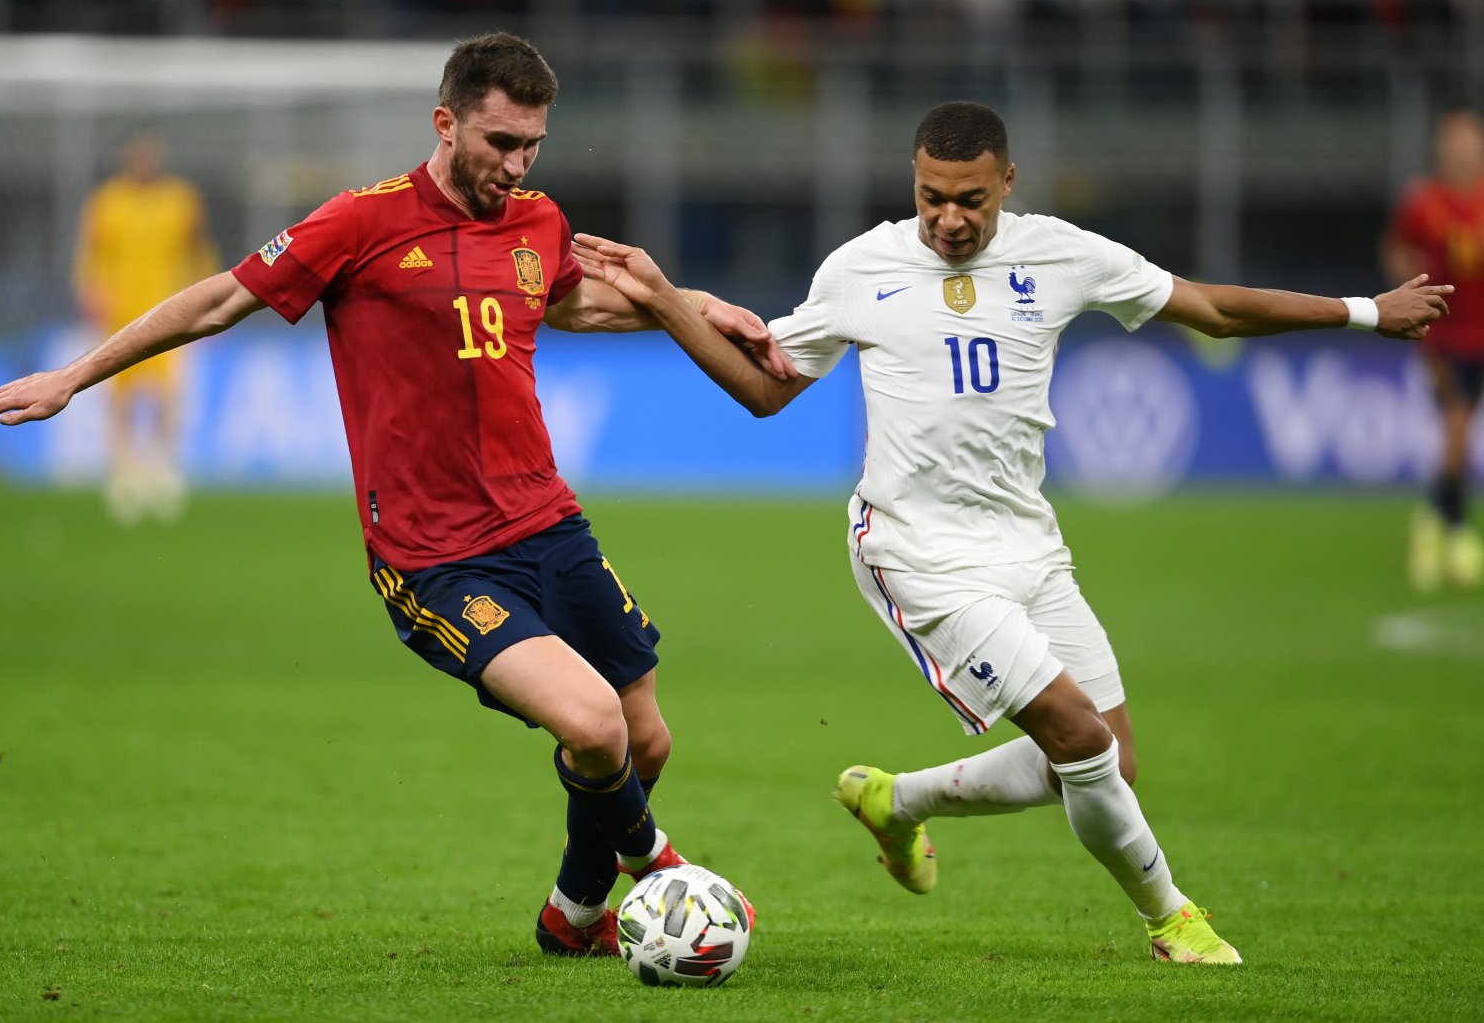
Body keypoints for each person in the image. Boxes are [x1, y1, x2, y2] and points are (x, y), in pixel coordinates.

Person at [573, 100, 1449, 965]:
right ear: (913, 184)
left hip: (1028, 542)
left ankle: (898, 800)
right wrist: (661, 296)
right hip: (915, 551)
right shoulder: (860, 268)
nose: (949, 219)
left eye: (971, 201)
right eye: (931, 198)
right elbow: (765, 389)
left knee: (1112, 762)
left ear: (1008, 185)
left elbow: (1212, 310)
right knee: (1080, 743)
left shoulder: (1063, 254)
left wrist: (1365, 311)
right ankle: (1173, 919)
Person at [0, 33, 778, 957]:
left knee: (645, 738)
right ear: (445, 123)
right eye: (498, 143)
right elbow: (219, 300)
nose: (515, 167)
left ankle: (576, 917)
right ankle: (669, 877)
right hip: (436, 556)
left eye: (532, 147)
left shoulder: (537, 222)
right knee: (594, 727)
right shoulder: (360, 222)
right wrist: (77, 373)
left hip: (549, 521)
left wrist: (697, 303)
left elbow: (571, 303)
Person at [73, 133, 217, 524]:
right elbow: (91, 252)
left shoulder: (180, 201)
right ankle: (123, 474)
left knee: (169, 396)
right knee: (119, 395)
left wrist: (210, 299)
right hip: (121, 312)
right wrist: (91, 291)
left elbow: (198, 249)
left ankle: (162, 470)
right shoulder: (107, 202)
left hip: (171, 309)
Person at [1383, 108, 1484, 591]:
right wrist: (1408, 291)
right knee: (1457, 431)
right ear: (1443, 147)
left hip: (1482, 336)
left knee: (1459, 437)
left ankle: (1434, 518)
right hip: (1443, 339)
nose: (1465, 148)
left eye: (1471, 139)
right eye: (1456, 140)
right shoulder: (1424, 202)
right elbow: (1397, 247)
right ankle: (1454, 530)